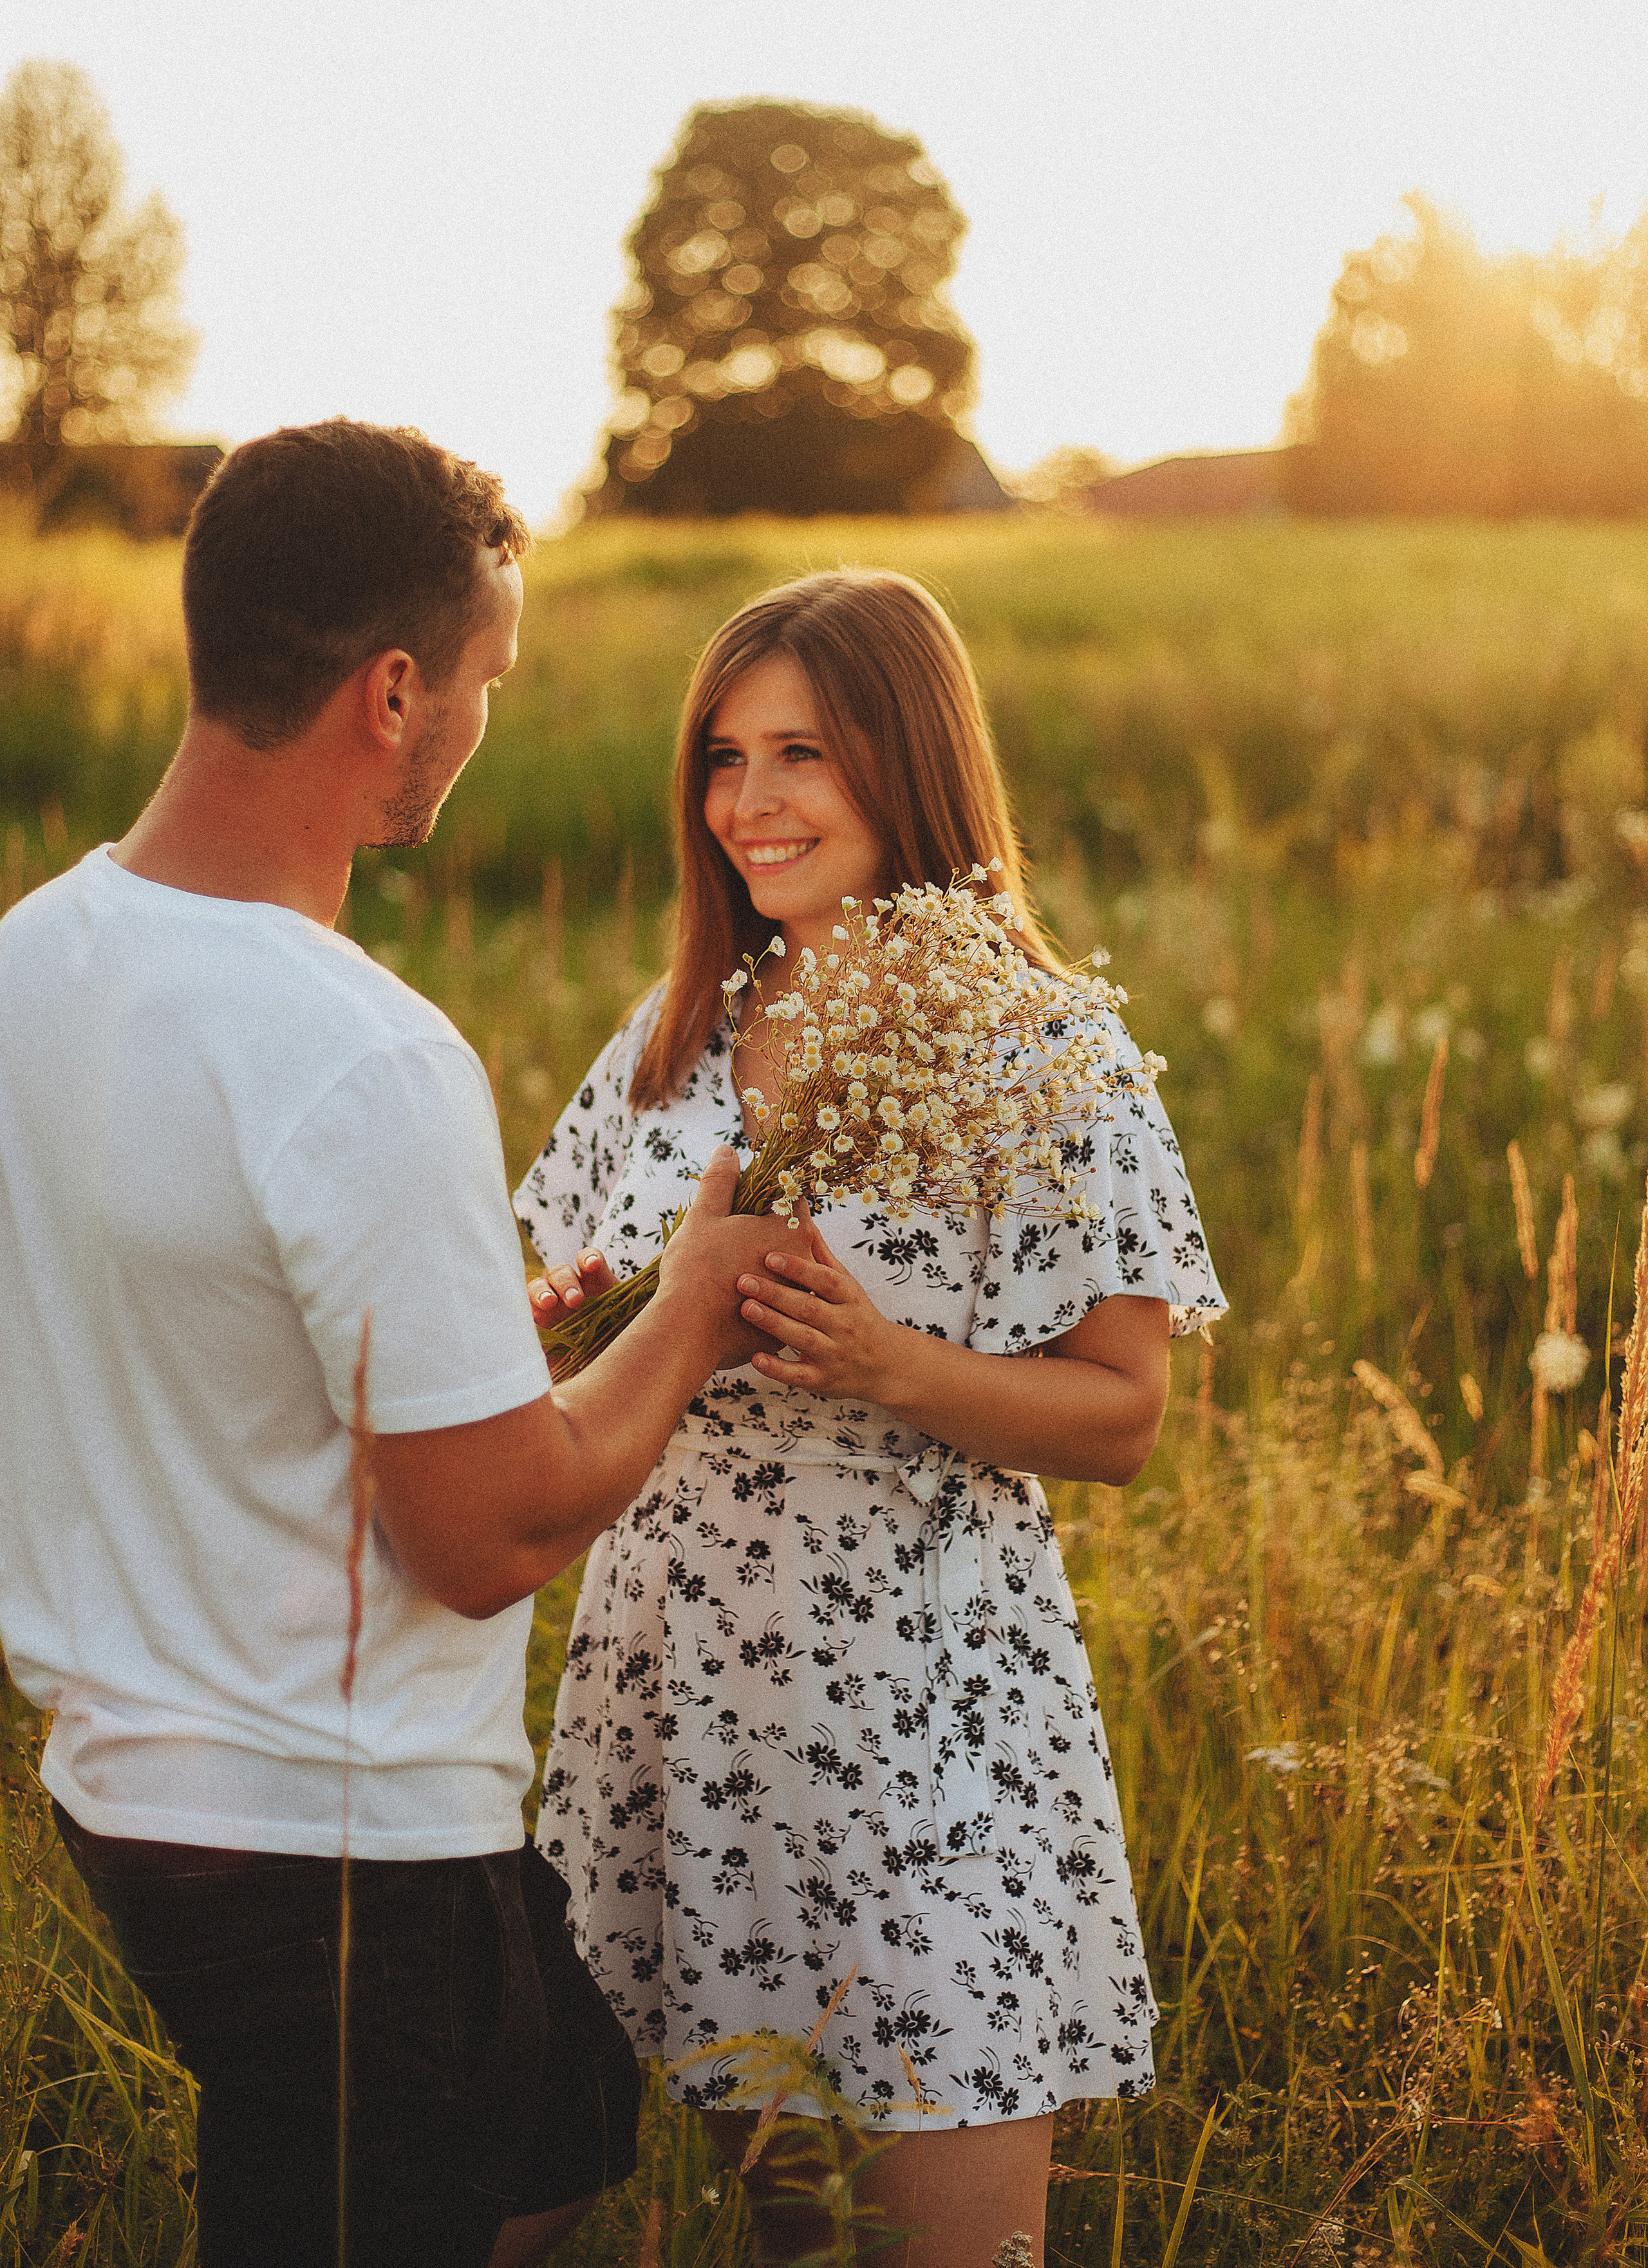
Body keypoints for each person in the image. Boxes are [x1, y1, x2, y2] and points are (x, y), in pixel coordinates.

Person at [0, 418, 782, 2268]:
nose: (487, 723)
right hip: (329, 1826)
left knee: (558, 2128)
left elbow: (140, 1303)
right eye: (491, 682)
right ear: (396, 689)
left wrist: (450, 1357)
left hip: (135, 1777)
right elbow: (485, 1534)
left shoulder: (34, 960)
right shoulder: (363, 1054)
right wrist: (689, 1308)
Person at [517, 570, 1228, 2268]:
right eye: (723, 757)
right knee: (784, 2231)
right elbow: (557, 1282)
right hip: (677, 1699)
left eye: (804, 756)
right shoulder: (683, 1026)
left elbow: (1125, 1414)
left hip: (923, 1724)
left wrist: (893, 1366)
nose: (750, 804)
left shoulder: (1044, 1047)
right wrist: (564, 1322)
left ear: (909, 764)